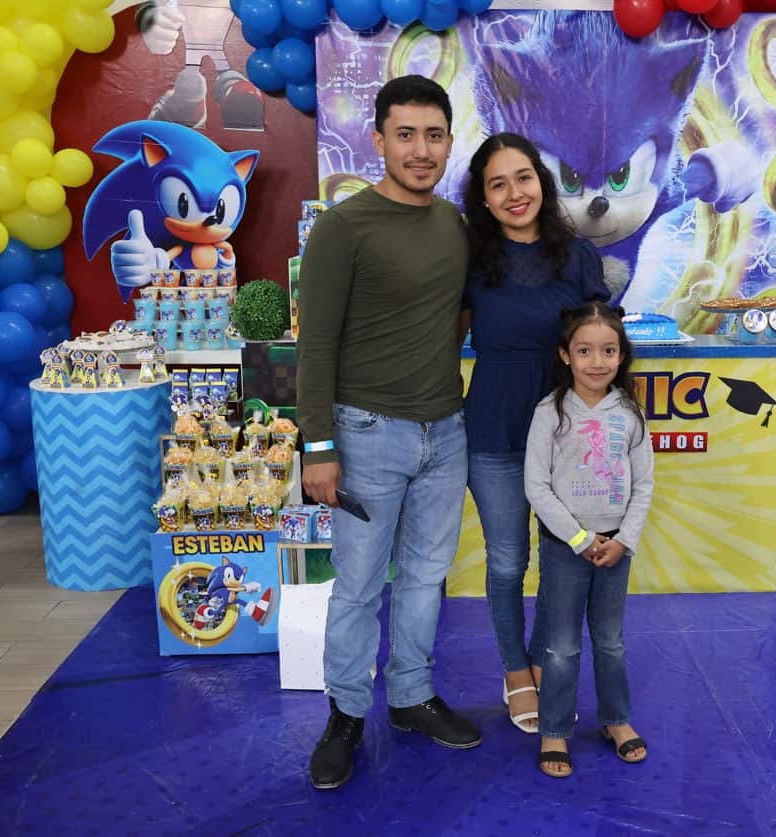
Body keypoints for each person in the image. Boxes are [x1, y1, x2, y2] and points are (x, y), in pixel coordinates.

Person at [297, 74, 479, 791]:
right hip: (366, 433)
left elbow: (457, 316)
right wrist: (318, 446)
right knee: (359, 586)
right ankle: (345, 715)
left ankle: (410, 695)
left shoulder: (455, 225)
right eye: (405, 134)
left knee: (427, 578)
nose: (420, 149)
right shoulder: (343, 227)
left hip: (447, 431)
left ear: (449, 143)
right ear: (378, 140)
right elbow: (315, 344)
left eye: (433, 135)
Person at [461, 132, 611, 735]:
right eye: (497, 184)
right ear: (484, 199)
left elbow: (601, 342)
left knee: (559, 556)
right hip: (493, 429)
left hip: (566, 434)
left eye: (522, 178)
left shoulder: (578, 257)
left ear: (541, 183)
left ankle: (547, 661)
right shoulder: (471, 260)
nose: (514, 193)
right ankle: (515, 671)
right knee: (506, 561)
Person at [523, 302, 655, 779]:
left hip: (616, 550)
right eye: (584, 351)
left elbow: (643, 484)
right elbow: (537, 486)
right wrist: (580, 538)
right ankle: (555, 729)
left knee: (610, 641)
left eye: (608, 351)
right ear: (565, 354)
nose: (597, 362)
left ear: (622, 356)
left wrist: (625, 540)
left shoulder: (631, 413)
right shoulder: (550, 412)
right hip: (567, 549)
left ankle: (616, 720)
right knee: (561, 647)